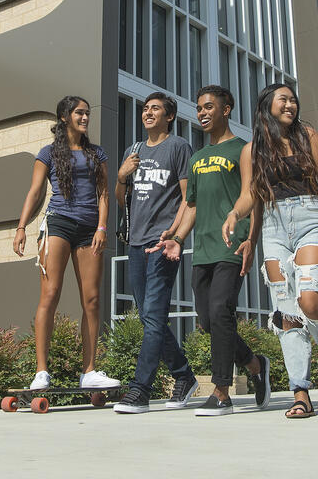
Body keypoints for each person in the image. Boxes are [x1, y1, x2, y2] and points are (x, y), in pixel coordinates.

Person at [222, 84, 318, 418]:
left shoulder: (307, 137)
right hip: (273, 226)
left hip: (311, 218)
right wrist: (234, 214)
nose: (291, 103)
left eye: (293, 99)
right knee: (286, 315)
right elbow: (249, 194)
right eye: (283, 98)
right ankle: (301, 391)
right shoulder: (251, 150)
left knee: (310, 299)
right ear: (266, 105)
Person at [153, 85, 271, 416]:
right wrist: (177, 236)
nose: (202, 113)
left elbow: (254, 196)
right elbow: (191, 206)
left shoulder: (243, 149)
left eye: (208, 107)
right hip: (202, 248)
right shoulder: (197, 157)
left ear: (226, 109)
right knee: (207, 321)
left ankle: (221, 391)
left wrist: (252, 239)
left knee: (221, 311)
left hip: (232, 244)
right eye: (199, 108)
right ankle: (255, 364)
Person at [13, 95, 120, 392]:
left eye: (87, 113)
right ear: (65, 117)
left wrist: (102, 227)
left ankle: (89, 371)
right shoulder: (47, 153)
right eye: (79, 113)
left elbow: (103, 195)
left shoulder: (97, 153)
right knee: (50, 294)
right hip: (58, 223)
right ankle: (41, 372)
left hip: (89, 229)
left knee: (92, 300)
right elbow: (35, 192)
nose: (85, 118)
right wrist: (21, 227)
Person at [112, 93, 199, 413]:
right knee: (150, 317)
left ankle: (141, 388)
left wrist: (176, 235)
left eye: (155, 109)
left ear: (169, 116)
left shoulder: (178, 147)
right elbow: (122, 197)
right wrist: (122, 175)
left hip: (163, 242)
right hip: (136, 243)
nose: (148, 113)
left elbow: (190, 197)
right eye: (145, 109)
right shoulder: (132, 151)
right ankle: (184, 375)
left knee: (153, 316)